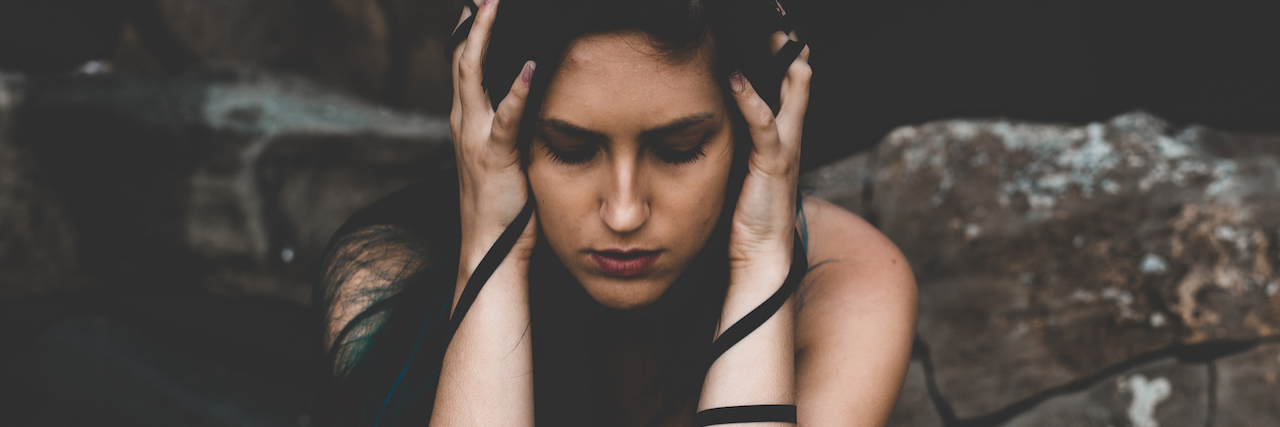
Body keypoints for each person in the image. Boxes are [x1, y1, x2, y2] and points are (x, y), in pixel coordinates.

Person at [313, 0, 917, 425]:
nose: (625, 212)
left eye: (678, 151)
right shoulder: (388, 276)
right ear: (498, 127)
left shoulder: (847, 287)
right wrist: (492, 251)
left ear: (756, 122)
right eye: (571, 150)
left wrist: (761, 257)